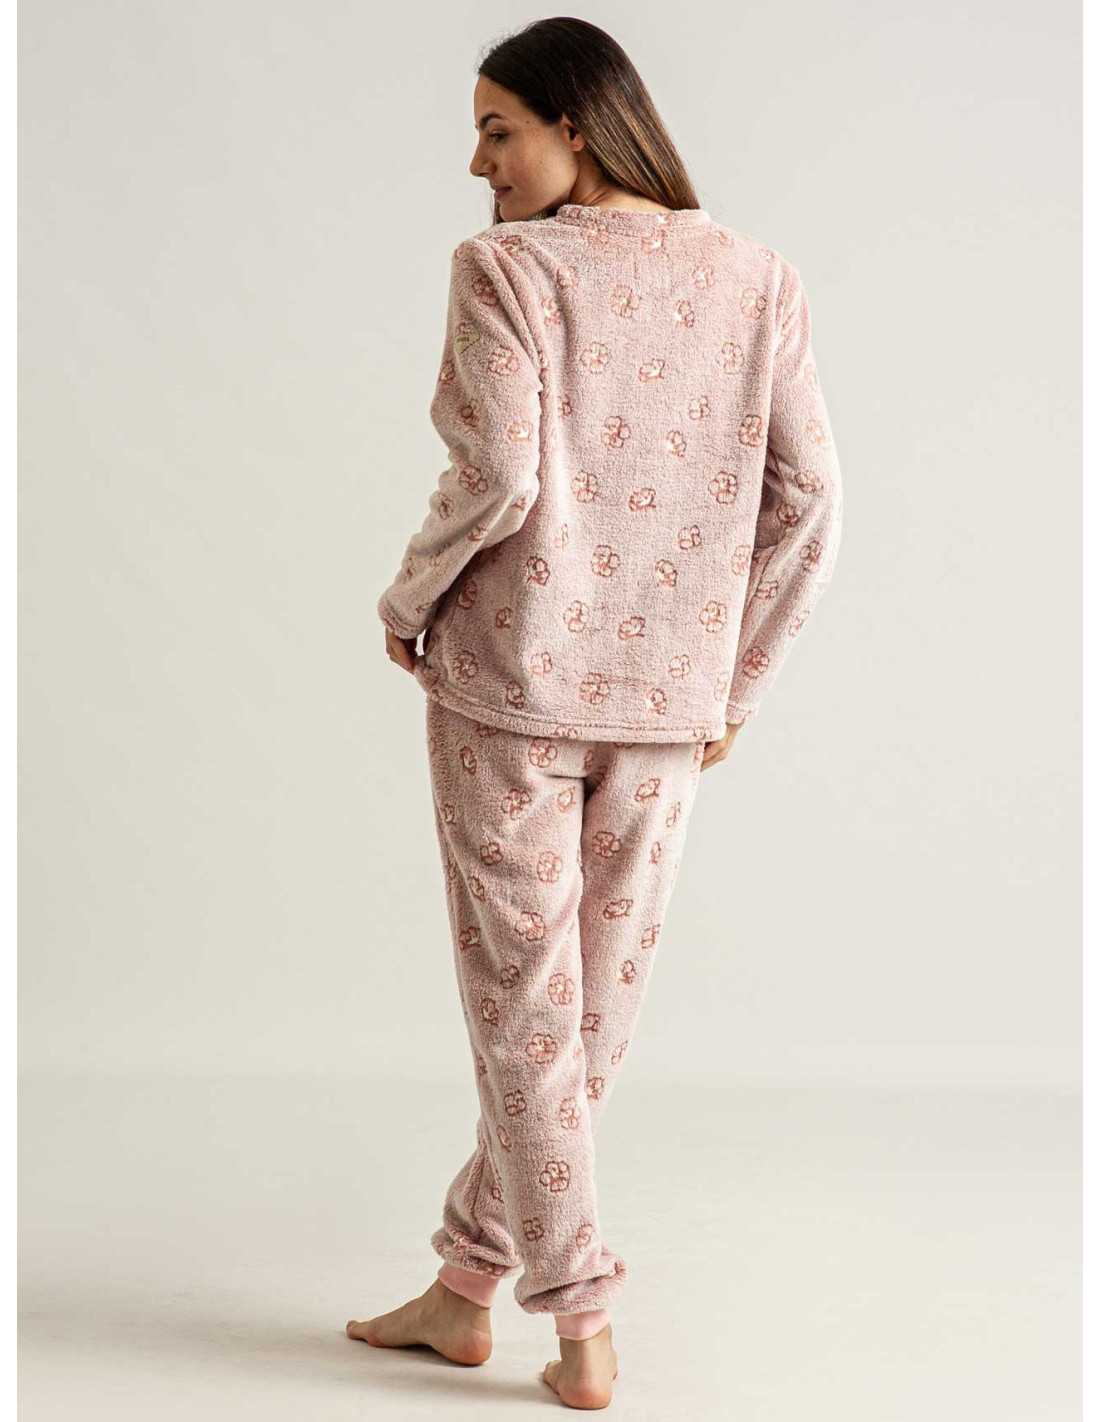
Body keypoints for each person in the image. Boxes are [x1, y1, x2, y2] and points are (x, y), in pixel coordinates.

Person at [347, 16, 843, 1410]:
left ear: (579, 125)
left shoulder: (505, 272)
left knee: (529, 1010)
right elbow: (814, 501)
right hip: (667, 707)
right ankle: (464, 1289)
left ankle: (580, 1321)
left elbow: (497, 476)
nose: (477, 162)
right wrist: (734, 683)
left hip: (510, 692)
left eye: (497, 129)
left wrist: (406, 599)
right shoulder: (759, 277)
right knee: (588, 1016)